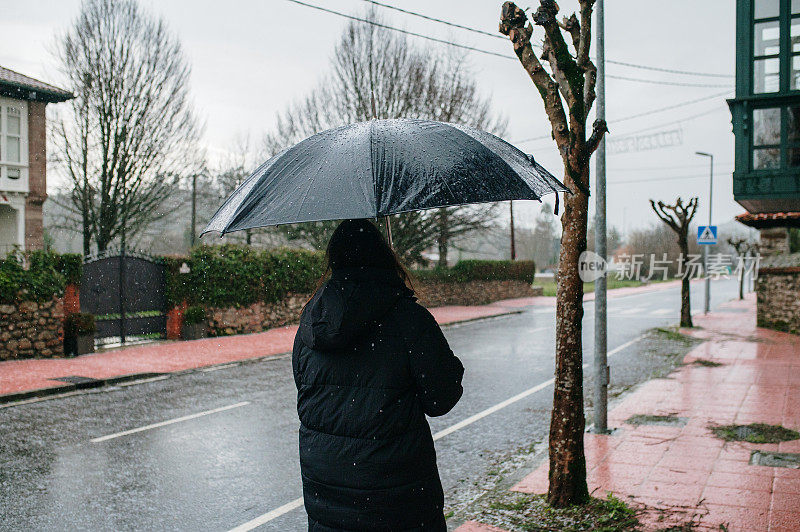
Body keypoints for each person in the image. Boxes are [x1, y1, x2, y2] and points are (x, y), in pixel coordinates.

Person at [293, 219, 465, 531]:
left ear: (334, 260)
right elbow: (441, 398)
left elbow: (307, 392)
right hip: (398, 500)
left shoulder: (311, 323)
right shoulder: (408, 319)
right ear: (385, 257)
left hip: (328, 494)